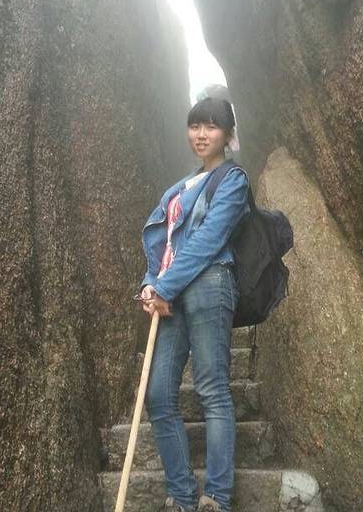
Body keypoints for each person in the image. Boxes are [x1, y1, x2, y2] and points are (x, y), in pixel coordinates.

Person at [139, 97, 249, 512]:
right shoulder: (180, 186)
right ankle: (182, 495)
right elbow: (163, 245)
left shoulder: (232, 180)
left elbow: (208, 240)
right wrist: (150, 285)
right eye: (195, 126)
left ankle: (216, 497)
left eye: (211, 127)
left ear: (227, 134)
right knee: (158, 395)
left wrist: (165, 286)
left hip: (209, 284)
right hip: (171, 294)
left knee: (212, 389)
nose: (201, 135)